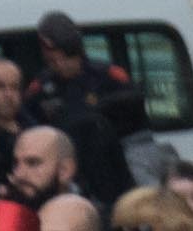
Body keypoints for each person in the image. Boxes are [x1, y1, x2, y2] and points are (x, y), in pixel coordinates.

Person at [20, 14, 144, 207]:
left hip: (110, 169)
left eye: (65, 60)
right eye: (53, 61)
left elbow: (135, 110)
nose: (59, 66)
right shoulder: (41, 88)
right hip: (68, 174)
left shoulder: (108, 76)